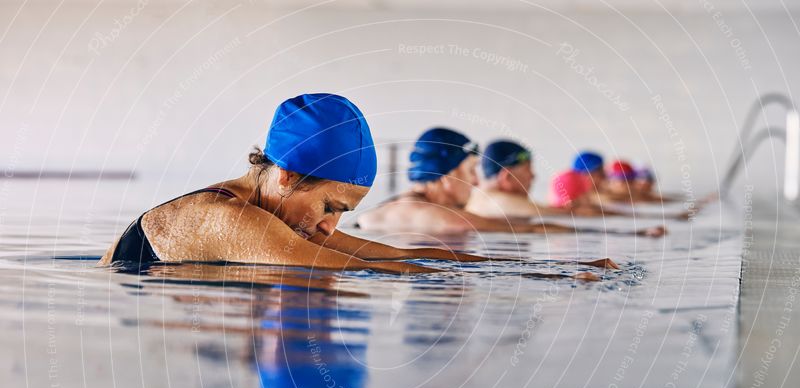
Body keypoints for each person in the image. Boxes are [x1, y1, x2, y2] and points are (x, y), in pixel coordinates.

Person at [99, 93, 488, 275]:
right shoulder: (223, 217)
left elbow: (393, 256)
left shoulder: (277, 217)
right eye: (329, 207)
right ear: (287, 176)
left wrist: (506, 266)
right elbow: (364, 268)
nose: (328, 226)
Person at [356, 128, 626, 262]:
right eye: (470, 171)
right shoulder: (448, 220)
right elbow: (526, 231)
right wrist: (571, 269)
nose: (476, 181)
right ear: (447, 174)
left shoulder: (380, 211)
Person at [466, 140, 664, 236]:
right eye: (528, 170)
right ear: (507, 176)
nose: (534, 176)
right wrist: (633, 233)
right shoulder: (493, 200)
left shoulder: (485, 199)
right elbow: (547, 222)